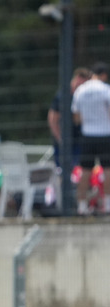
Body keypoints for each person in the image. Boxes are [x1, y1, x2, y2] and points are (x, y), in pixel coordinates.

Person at [71, 62, 110, 214]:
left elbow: (76, 118)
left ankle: (82, 206)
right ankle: (107, 204)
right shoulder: (106, 90)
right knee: (108, 171)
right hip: (105, 134)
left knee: (85, 171)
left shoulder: (81, 90)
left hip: (87, 135)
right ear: (104, 75)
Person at [48, 67, 90, 169]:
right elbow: (53, 119)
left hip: (79, 142)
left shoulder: (84, 96)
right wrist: (60, 139)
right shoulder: (62, 96)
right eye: (79, 84)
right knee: (62, 170)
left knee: (78, 171)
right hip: (63, 141)